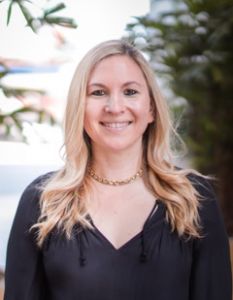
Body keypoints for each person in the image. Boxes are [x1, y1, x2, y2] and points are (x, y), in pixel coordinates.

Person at [4, 40, 232, 300]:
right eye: (98, 93)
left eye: (130, 92)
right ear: (80, 108)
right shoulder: (42, 202)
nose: (114, 107)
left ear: (151, 109)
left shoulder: (193, 198)